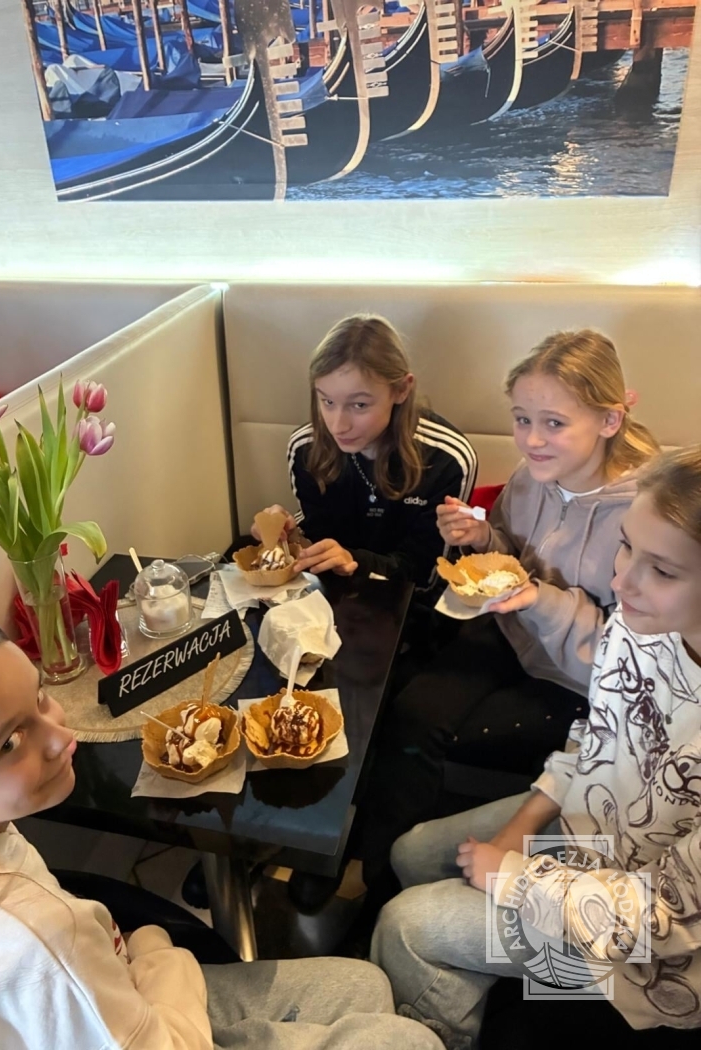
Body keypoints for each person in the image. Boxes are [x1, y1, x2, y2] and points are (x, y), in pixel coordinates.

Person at [0, 615, 444, 1050]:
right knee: (408, 1040)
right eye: (10, 742)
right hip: (149, 1005)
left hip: (119, 990)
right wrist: (158, 951)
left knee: (365, 984)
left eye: (40, 697)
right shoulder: (37, 943)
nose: (60, 735)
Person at [372, 446, 701, 1049]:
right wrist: (521, 827)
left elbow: (666, 919)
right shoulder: (640, 627)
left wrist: (517, 878)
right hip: (592, 841)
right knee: (411, 853)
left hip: (647, 952)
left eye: (662, 570)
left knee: (405, 927)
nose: (620, 581)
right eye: (626, 547)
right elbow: (594, 737)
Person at [357, 329, 661, 905]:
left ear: (609, 420)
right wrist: (482, 539)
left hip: (581, 679)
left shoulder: (646, 515)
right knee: (407, 713)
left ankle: (438, 897)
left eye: (553, 423)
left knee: (446, 737)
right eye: (522, 419)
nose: (532, 440)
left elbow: (634, 656)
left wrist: (539, 600)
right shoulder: (531, 477)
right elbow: (512, 557)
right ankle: (379, 887)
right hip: (512, 634)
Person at [252, 314, 477, 589]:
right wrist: (293, 538)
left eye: (359, 405)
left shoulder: (446, 458)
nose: (338, 426)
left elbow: (425, 572)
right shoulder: (305, 447)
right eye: (327, 401)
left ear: (401, 390)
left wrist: (354, 561)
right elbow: (319, 536)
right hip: (330, 591)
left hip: (408, 598)